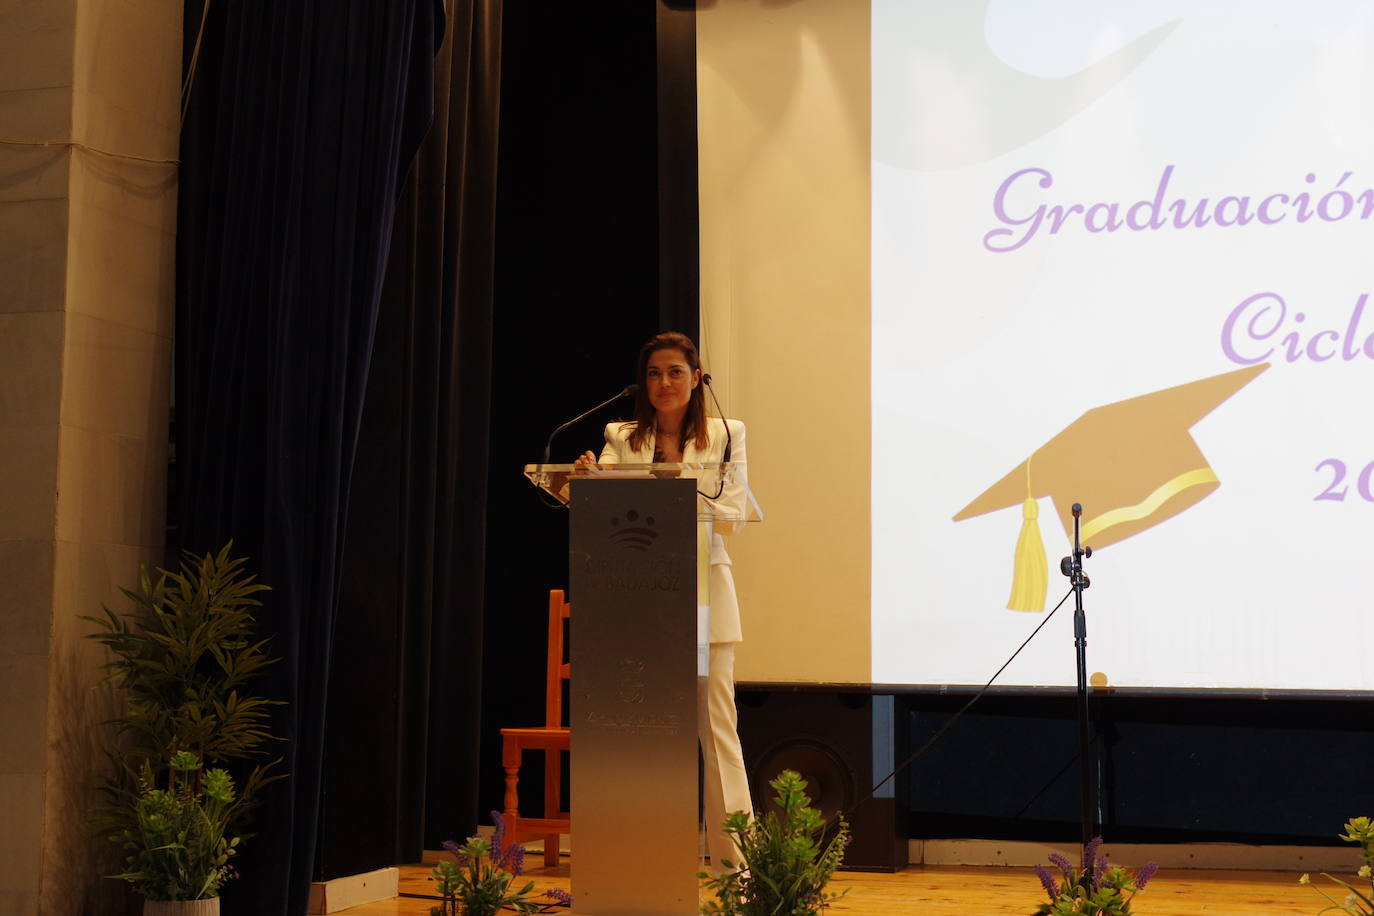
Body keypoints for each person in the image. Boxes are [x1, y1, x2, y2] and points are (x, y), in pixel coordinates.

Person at [574, 330, 753, 870]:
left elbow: (738, 512)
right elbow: (599, 508)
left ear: (696, 378)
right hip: (639, 607)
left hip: (702, 603)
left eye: (676, 372)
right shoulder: (621, 436)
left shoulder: (726, 434)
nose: (664, 383)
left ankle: (734, 870)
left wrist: (675, 487)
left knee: (716, 734)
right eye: (654, 373)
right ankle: (641, 866)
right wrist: (585, 481)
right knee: (639, 738)